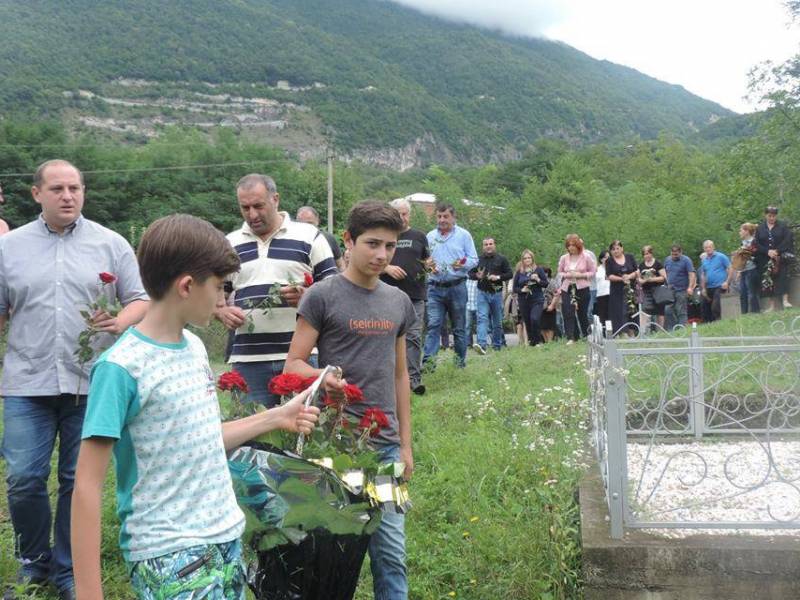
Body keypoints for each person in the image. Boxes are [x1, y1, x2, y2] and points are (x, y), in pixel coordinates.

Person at [71, 214, 319, 599]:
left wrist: (278, 415)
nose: (224, 300)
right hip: (170, 554)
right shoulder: (121, 368)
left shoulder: (195, 347)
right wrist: (89, 593)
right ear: (187, 286)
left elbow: (200, 438)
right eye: (221, 288)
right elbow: (86, 486)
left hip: (225, 537)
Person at [0, 160, 149, 600]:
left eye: (75, 188)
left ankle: (67, 570)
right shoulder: (10, 248)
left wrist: (120, 321)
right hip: (27, 381)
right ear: (36, 194)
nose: (68, 196)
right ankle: (34, 561)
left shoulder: (111, 243)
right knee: (23, 478)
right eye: (58, 188)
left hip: (91, 380)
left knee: (75, 479)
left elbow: (139, 298)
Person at [285, 201, 416, 600]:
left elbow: (400, 375)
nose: (381, 255)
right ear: (348, 240)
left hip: (384, 446)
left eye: (390, 247)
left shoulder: (398, 302)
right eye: (372, 243)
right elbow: (294, 364)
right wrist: (323, 378)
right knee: (328, 553)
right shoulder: (321, 297)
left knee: (391, 553)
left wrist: (406, 446)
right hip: (333, 447)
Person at [215, 174, 337, 408]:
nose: (252, 214)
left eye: (258, 206)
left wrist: (307, 298)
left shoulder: (310, 237)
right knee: (252, 436)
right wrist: (220, 311)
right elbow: (213, 292)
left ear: (276, 199)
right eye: (245, 208)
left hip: (300, 359)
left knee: (304, 434)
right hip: (248, 361)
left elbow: (335, 294)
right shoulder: (228, 244)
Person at [380, 197, 430, 395]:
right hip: (387, 295)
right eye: (398, 214)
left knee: (414, 336)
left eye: (405, 213)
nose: (402, 217)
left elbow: (427, 260)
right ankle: (389, 380)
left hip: (415, 294)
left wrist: (430, 266)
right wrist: (387, 268)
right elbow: (370, 261)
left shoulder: (419, 236)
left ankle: (414, 380)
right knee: (388, 336)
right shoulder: (384, 236)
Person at [421, 203, 478, 369]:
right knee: (433, 325)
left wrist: (462, 264)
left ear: (453, 217)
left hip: (457, 287)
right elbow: (425, 260)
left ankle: (459, 364)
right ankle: (428, 365)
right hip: (435, 287)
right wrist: (428, 265)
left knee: (459, 328)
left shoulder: (464, 235)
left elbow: (474, 259)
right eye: (439, 216)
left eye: (445, 216)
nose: (442, 220)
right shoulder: (430, 236)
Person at [469, 237, 512, 353]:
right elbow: (470, 273)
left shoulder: (502, 259)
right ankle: (482, 345)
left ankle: (497, 345)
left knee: (497, 322)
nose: (488, 246)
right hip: (482, 293)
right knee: (482, 318)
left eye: (490, 244)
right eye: (486, 244)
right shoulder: (478, 260)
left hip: (497, 293)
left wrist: (498, 277)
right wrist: (477, 276)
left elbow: (510, 274)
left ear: (494, 245)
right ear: (483, 247)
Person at [557, 234, 595, 344]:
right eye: (569, 245)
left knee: (582, 313)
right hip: (567, 287)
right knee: (568, 311)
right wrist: (567, 274)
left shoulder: (586, 257)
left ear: (578, 245)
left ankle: (587, 334)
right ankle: (571, 337)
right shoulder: (564, 258)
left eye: (573, 245)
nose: (571, 247)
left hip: (582, 287)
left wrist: (580, 275)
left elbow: (593, 272)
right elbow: (559, 272)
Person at [754, 206, 794, 311]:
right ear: (765, 215)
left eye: (774, 216)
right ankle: (772, 306)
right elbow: (756, 243)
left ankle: (785, 301)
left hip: (780, 257)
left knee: (783, 277)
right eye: (769, 216)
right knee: (769, 280)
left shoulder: (783, 226)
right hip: (766, 258)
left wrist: (777, 251)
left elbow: (788, 239)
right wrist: (767, 251)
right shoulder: (760, 228)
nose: (772, 218)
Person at [512, 250, 548, 347]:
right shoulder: (519, 272)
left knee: (534, 319)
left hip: (537, 299)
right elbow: (514, 288)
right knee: (527, 322)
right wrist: (522, 290)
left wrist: (538, 279)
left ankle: (537, 341)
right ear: (522, 260)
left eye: (529, 258)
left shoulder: (538, 269)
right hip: (524, 300)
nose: (527, 260)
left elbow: (545, 284)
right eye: (525, 258)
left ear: (532, 258)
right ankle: (532, 342)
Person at [605, 240, 638, 337]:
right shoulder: (609, 261)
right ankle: (622, 332)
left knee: (631, 309)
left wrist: (629, 276)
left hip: (630, 288)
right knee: (619, 311)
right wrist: (621, 279)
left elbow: (637, 271)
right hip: (617, 290)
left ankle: (632, 331)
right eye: (613, 249)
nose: (615, 251)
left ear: (622, 248)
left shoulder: (630, 257)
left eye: (617, 248)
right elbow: (609, 275)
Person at [296, 205, 344, 271]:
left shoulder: (328, 238)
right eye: (302, 224)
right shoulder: (291, 240)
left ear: (317, 221)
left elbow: (340, 265)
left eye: (310, 223)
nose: (307, 227)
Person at [663, 244, 697, 330]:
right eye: (672, 254)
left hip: (682, 289)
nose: (674, 256)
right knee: (668, 310)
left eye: (676, 254)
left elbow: (691, 274)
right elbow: (665, 272)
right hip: (670, 289)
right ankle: (672, 330)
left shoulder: (686, 260)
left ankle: (682, 329)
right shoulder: (667, 260)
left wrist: (690, 287)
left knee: (681, 310)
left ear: (680, 252)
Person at [730, 222, 760, 314]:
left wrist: (748, 254)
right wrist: (739, 270)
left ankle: (755, 312)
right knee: (742, 293)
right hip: (743, 270)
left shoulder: (754, 242)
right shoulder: (742, 243)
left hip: (752, 270)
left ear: (747, 231)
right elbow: (742, 258)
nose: (739, 232)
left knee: (752, 293)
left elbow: (756, 255)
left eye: (741, 230)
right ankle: (744, 313)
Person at [699, 240, 731, 323]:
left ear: (713, 247)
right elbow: (703, 274)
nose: (708, 249)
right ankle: (706, 324)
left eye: (709, 247)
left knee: (715, 307)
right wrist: (703, 288)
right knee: (703, 305)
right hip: (708, 286)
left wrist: (727, 282)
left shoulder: (721, 256)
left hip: (720, 285)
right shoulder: (704, 260)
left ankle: (718, 322)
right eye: (706, 247)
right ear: (704, 249)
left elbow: (730, 269)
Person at [637, 245, 667, 331]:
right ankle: (643, 332)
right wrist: (642, 281)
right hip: (646, 291)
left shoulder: (658, 264)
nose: (647, 256)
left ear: (651, 253)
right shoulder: (641, 265)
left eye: (648, 253)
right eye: (645, 254)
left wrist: (651, 279)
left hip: (658, 290)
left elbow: (663, 277)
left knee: (660, 312)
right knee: (645, 311)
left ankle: (660, 331)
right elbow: (639, 278)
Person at [541, 266, 559, 343]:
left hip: (550, 304)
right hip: (540, 306)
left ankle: (550, 341)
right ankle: (545, 341)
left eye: (546, 272)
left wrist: (552, 305)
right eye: (543, 272)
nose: (544, 274)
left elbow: (556, 294)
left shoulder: (552, 282)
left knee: (550, 325)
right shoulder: (537, 282)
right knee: (542, 325)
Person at [592, 251, 611, 328]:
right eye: (605, 257)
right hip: (601, 294)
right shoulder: (597, 269)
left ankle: (614, 332)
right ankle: (603, 332)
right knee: (602, 314)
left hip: (611, 293)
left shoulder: (612, 268)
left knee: (612, 313)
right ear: (601, 259)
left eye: (609, 257)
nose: (607, 259)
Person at [465, 277, 478, 347]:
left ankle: (480, 343)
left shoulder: (479, 279)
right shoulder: (465, 278)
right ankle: (468, 344)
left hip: (478, 305)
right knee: (467, 326)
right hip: (468, 305)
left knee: (480, 325)